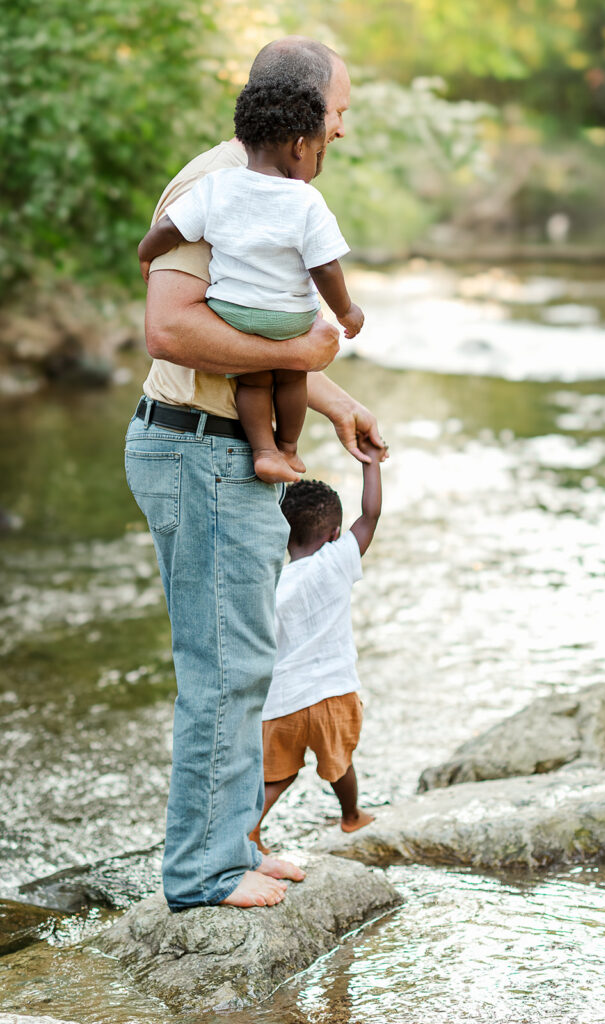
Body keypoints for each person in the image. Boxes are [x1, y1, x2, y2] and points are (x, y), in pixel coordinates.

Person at [124, 37, 387, 912]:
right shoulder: (214, 183)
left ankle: (232, 843)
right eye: (338, 112)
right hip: (197, 448)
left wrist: (335, 399)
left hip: (223, 448)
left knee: (246, 661)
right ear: (301, 110)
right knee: (225, 667)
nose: (342, 130)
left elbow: (257, 327)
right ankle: (202, 874)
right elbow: (172, 327)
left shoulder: (274, 184)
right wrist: (306, 343)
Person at [137, 75, 364, 485]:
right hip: (208, 438)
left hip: (234, 313)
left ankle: (263, 451)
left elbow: (171, 228)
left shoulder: (217, 185)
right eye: (337, 116)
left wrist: (144, 252)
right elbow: (326, 267)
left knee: (256, 381)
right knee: (290, 375)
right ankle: (288, 449)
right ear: (299, 145)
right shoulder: (305, 199)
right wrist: (345, 311)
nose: (339, 132)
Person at [249, 435, 382, 854]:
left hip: (281, 700)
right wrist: (371, 462)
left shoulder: (270, 584)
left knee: (279, 775)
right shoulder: (335, 562)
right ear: (335, 533)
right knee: (340, 762)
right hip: (331, 691)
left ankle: (251, 830)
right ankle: (351, 817)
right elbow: (372, 514)